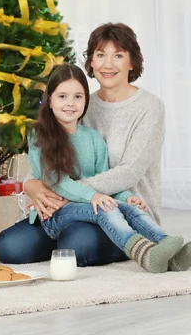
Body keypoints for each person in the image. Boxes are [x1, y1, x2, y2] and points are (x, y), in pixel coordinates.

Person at [0, 23, 191, 271]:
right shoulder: (80, 106)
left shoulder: (149, 108)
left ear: (132, 62)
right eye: (100, 55)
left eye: (118, 55)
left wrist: (67, 194)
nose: (108, 64)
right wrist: (30, 184)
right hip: (76, 206)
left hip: (123, 207)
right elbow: (48, 159)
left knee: (76, 245)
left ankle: (154, 248)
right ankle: (153, 251)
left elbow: (128, 172)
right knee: (10, 246)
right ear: (91, 63)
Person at [26, 63, 184, 273]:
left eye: (78, 97)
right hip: (55, 213)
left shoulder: (92, 137)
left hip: (85, 208)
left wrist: (126, 197)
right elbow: (58, 183)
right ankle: (144, 253)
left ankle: (170, 248)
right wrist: (93, 197)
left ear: (86, 101)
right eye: (62, 96)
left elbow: (105, 180)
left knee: (130, 208)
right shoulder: (38, 135)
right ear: (50, 101)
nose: (70, 104)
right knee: (105, 208)